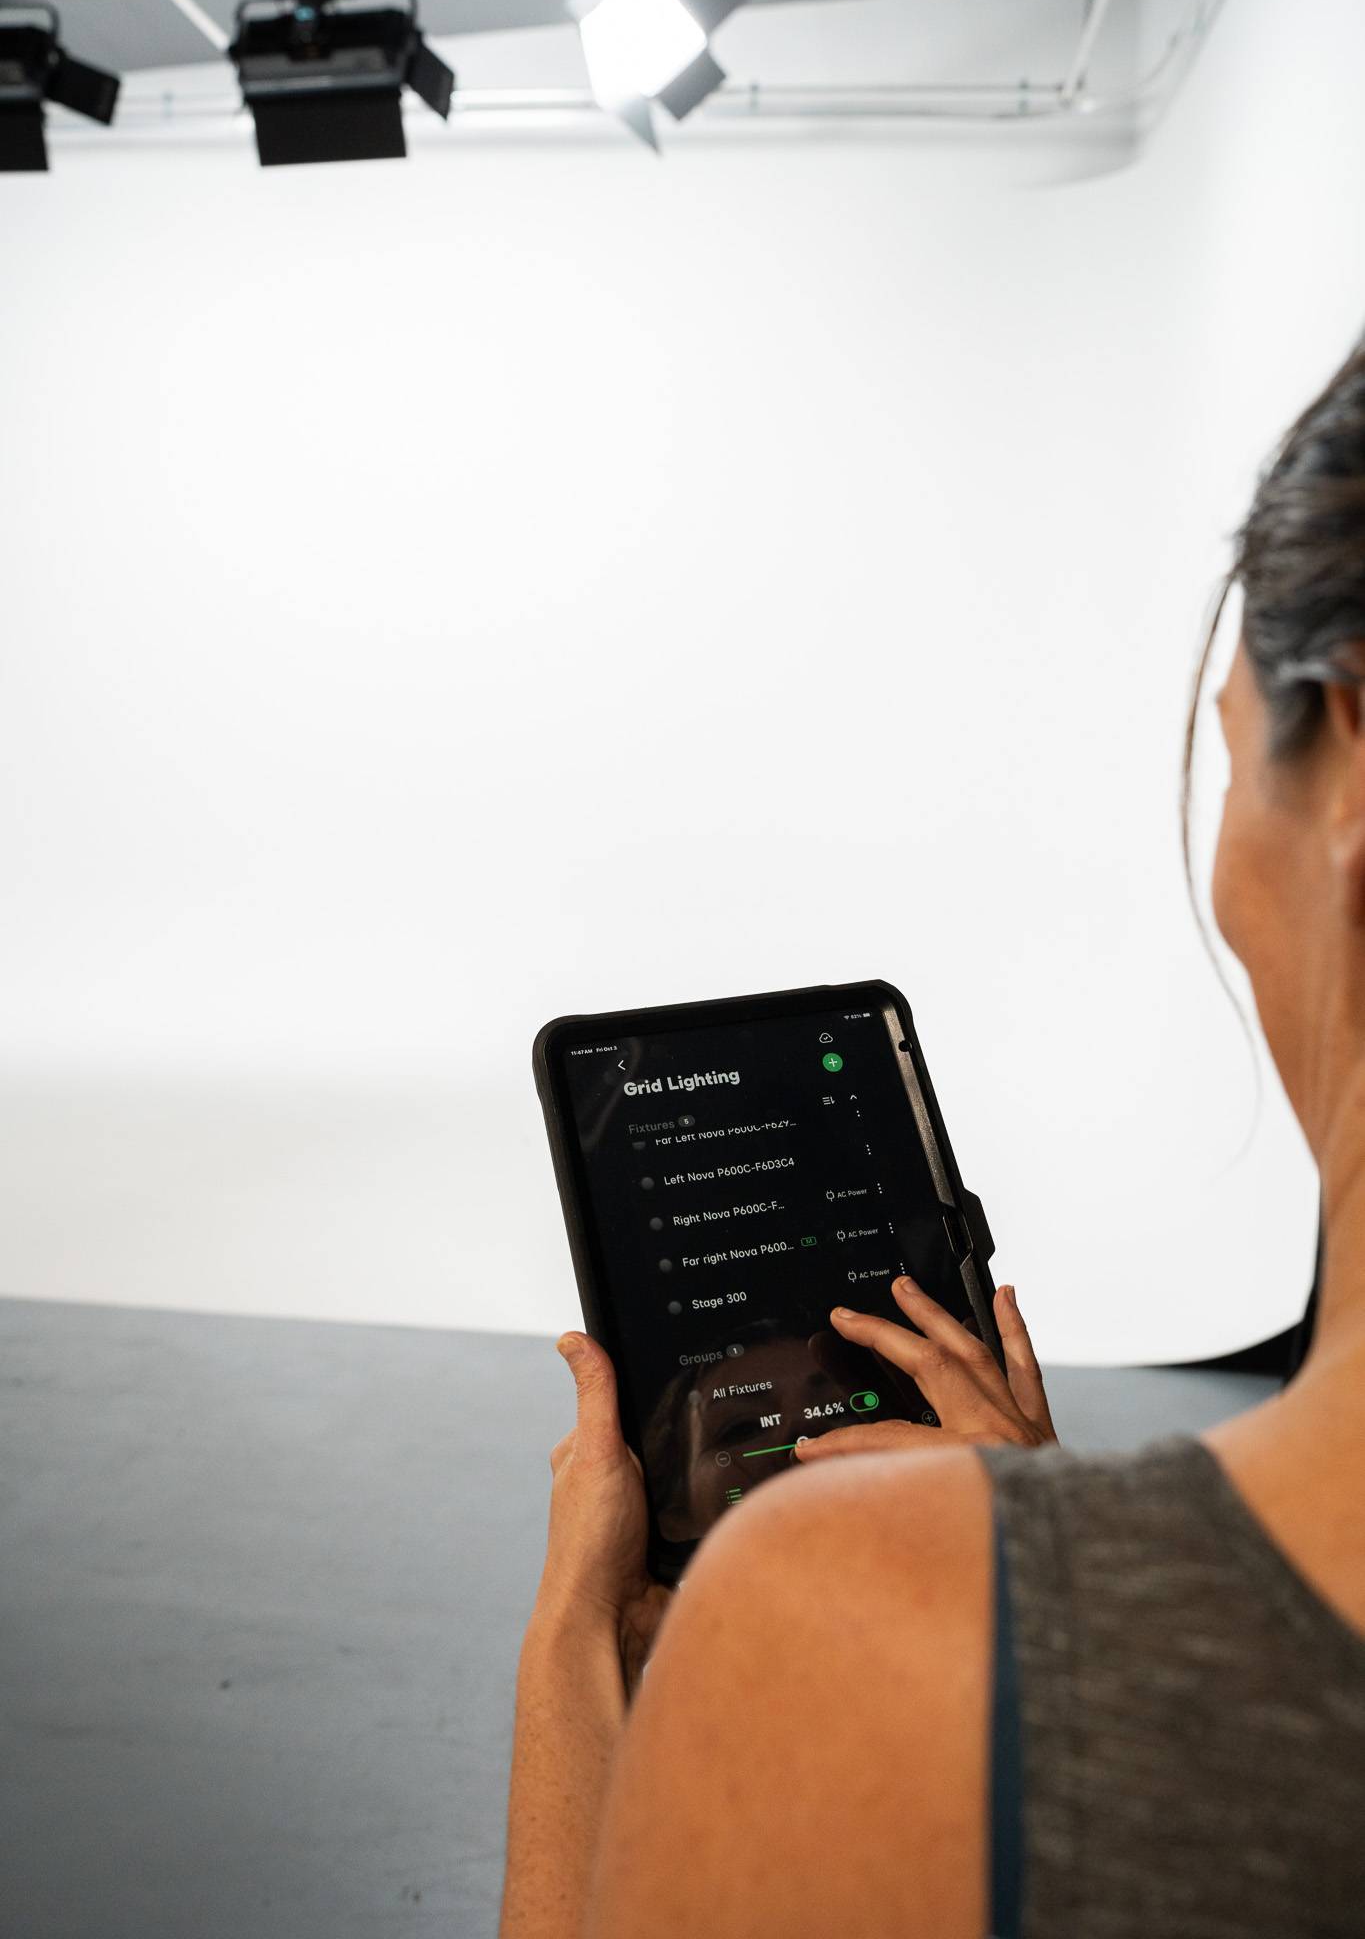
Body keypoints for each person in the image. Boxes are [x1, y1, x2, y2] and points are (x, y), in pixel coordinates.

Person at [499, 337, 1365, 1939]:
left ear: (1347, 776)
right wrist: (1045, 1553)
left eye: (1236, 759)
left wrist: (575, 1650)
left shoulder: (827, 1618)